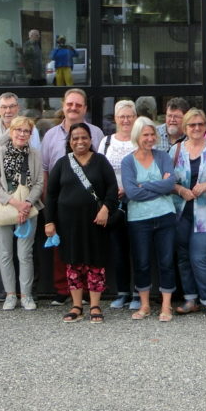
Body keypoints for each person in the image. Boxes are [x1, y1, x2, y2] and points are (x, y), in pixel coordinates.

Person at [45, 122, 118, 323]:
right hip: (68, 225)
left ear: (90, 139)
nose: (80, 141)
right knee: (73, 264)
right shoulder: (61, 164)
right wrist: (49, 222)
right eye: (75, 138)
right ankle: (76, 305)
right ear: (69, 141)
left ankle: (95, 305)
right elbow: (50, 195)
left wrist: (106, 209)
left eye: (84, 137)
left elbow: (112, 189)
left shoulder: (101, 161)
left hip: (96, 223)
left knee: (95, 264)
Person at [42, 88, 103, 303]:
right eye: (70, 104)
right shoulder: (50, 135)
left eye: (78, 104)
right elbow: (45, 169)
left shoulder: (96, 133)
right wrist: (47, 201)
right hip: (62, 201)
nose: (73, 108)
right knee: (62, 247)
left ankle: (86, 292)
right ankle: (62, 290)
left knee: (88, 245)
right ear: (63, 105)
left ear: (85, 108)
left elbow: (101, 168)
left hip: (89, 202)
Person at [0, 92, 41, 302]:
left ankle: (26, 295)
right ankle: (10, 295)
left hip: (28, 208)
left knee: (25, 255)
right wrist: (13, 202)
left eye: (26, 131)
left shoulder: (34, 154)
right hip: (4, 206)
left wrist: (26, 204)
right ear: (11, 132)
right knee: (5, 254)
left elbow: (39, 182)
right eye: (18, 130)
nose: (22, 134)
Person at [121, 117, 178, 321]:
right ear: (137, 136)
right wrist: (157, 186)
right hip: (139, 219)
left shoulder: (162, 157)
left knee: (166, 261)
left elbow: (171, 183)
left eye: (152, 134)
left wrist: (143, 186)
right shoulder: (128, 161)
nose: (150, 138)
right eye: (145, 134)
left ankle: (166, 306)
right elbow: (131, 193)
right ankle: (144, 305)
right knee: (142, 262)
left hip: (165, 216)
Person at [170, 108, 206, 317]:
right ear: (185, 127)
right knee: (183, 256)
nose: (196, 128)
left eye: (200, 124)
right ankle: (190, 299)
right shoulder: (175, 150)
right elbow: (168, 181)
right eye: (192, 125)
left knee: (199, 255)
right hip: (181, 212)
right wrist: (180, 189)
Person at [98, 100, 137, 310]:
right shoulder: (106, 141)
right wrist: (111, 195)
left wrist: (129, 189)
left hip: (138, 202)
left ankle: (140, 292)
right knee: (118, 249)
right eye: (121, 116)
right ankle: (123, 292)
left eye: (129, 116)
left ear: (135, 118)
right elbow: (101, 172)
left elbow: (149, 171)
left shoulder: (141, 140)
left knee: (139, 249)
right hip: (114, 204)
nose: (125, 120)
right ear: (115, 119)